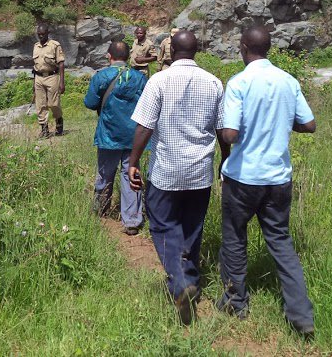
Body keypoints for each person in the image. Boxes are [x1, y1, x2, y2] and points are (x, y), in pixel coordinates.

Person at [216, 25, 317, 340]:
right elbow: (309, 124)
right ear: (268, 48)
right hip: (277, 177)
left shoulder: (239, 83)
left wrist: (223, 133)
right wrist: (280, 123)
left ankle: (236, 301)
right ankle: (301, 315)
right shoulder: (288, 81)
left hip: (244, 177)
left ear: (245, 47)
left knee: (234, 238)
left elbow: (230, 134)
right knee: (281, 241)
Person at [128, 29, 224, 325]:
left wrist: (133, 162)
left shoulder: (158, 80)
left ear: (170, 53)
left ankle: (182, 283)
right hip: (200, 172)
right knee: (193, 228)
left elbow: (144, 126)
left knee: (162, 224)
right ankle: (189, 281)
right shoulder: (213, 82)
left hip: (166, 171)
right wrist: (227, 161)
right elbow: (223, 130)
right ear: (197, 51)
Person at [83, 41, 148, 235]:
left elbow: (90, 102)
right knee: (131, 172)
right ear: (128, 57)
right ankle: (132, 221)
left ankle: (101, 210)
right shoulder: (140, 78)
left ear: (109, 56)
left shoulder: (101, 76)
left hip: (109, 134)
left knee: (105, 173)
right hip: (134, 135)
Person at [32, 23, 65, 139]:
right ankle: (44, 130)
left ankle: (59, 122)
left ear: (47, 33)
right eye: (39, 35)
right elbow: (35, 66)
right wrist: (33, 82)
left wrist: (62, 82)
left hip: (52, 77)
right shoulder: (36, 46)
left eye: (42, 34)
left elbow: (61, 64)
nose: (40, 36)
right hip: (38, 78)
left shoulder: (54, 45)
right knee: (40, 105)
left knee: (53, 104)